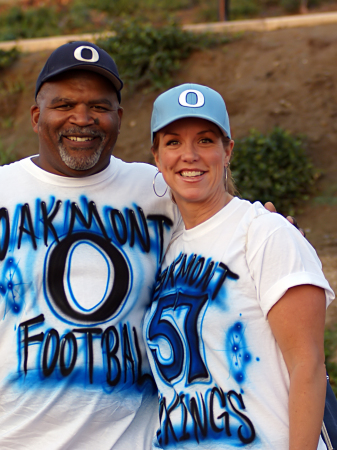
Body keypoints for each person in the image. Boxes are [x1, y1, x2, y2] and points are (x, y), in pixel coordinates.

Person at [0, 42, 301, 449]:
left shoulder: (157, 190)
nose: (82, 118)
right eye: (65, 104)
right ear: (37, 117)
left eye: (99, 106)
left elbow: (222, 222)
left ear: (119, 119)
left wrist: (272, 226)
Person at [143, 83, 335, 449]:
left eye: (204, 140)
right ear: (156, 156)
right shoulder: (165, 250)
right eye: (173, 142)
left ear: (227, 150)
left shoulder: (262, 231)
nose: (189, 155)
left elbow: (307, 367)